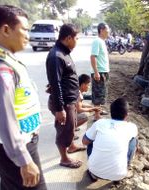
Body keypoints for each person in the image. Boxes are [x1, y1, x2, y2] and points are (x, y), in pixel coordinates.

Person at [0, 5, 46, 189]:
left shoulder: (7, 60)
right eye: (24, 29)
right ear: (6, 30)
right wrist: (23, 160)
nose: (28, 35)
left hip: (17, 144)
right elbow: (4, 119)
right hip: (15, 148)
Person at [46, 24, 85, 168]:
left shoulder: (64, 52)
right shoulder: (56, 56)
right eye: (76, 38)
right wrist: (59, 108)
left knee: (71, 127)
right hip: (64, 103)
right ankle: (64, 158)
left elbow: (61, 78)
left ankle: (72, 146)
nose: (77, 41)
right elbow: (55, 84)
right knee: (64, 131)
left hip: (71, 100)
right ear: (68, 38)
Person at [82, 98, 138, 182]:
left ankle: (93, 175)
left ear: (111, 112)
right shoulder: (131, 127)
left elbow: (84, 142)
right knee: (134, 140)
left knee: (91, 138)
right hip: (119, 174)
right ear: (126, 115)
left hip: (94, 170)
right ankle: (125, 166)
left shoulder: (100, 123)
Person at [90, 23, 110, 119]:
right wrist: (96, 72)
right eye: (107, 30)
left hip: (103, 72)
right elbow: (93, 57)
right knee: (98, 94)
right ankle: (96, 115)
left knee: (102, 93)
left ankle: (99, 110)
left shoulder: (102, 41)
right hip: (99, 72)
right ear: (101, 30)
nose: (108, 32)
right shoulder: (97, 41)